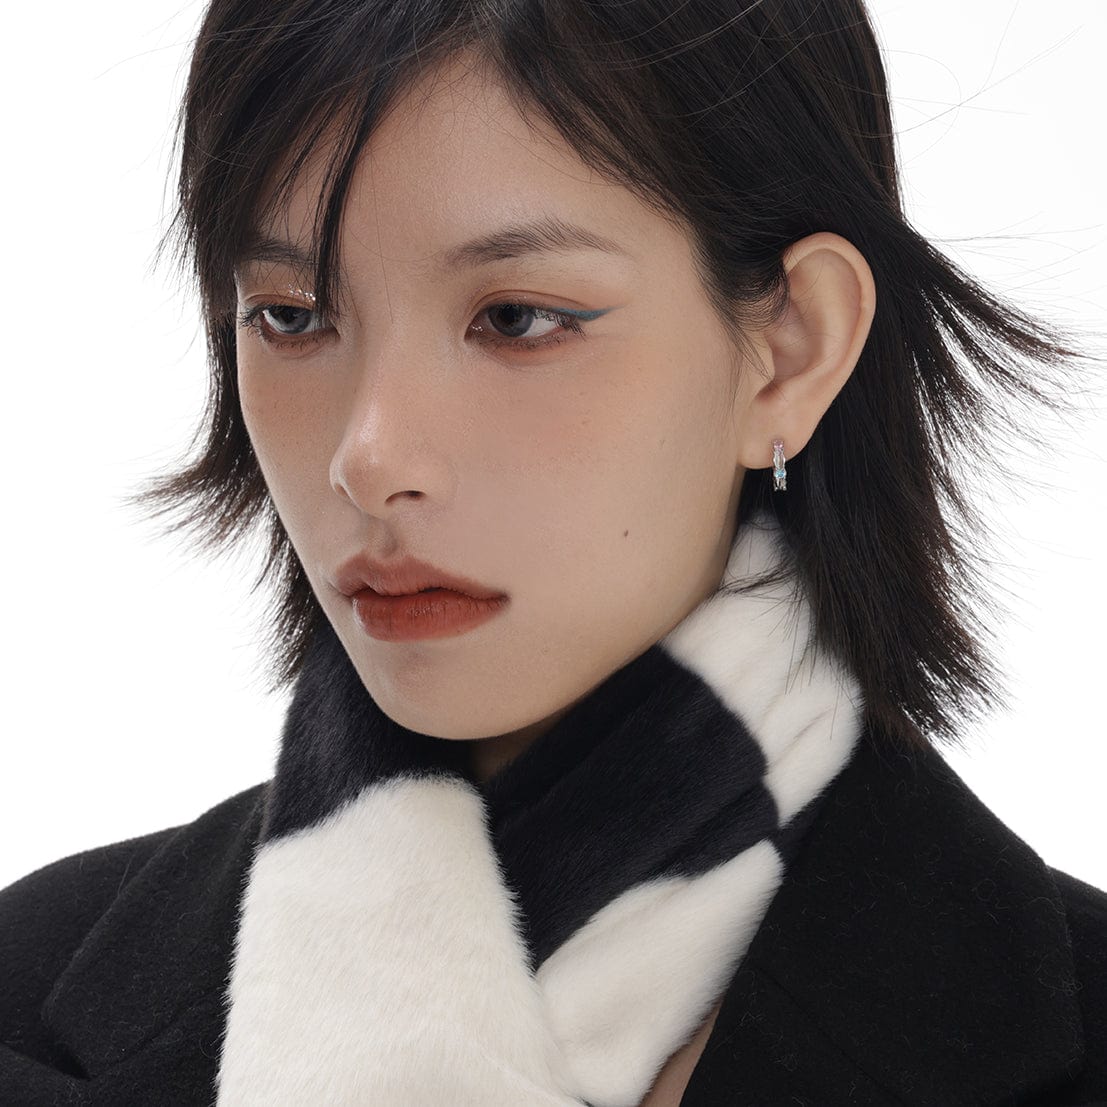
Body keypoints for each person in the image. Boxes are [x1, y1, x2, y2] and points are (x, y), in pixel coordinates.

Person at [2, 0, 1105, 1103]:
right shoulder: (25, 985)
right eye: (290, 317)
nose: (368, 459)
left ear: (790, 349)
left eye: (518, 318)